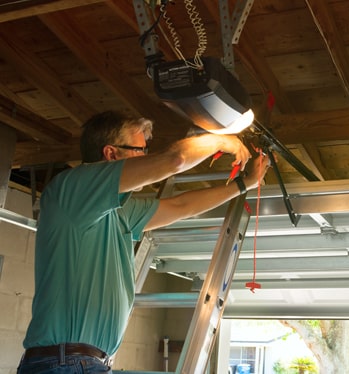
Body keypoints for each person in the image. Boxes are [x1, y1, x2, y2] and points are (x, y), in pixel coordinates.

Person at [17, 110, 270, 374]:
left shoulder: (120, 211)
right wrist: (222, 140)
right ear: (112, 154)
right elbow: (175, 159)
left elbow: (182, 205)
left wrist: (244, 185)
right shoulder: (71, 191)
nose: (146, 158)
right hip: (64, 363)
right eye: (140, 149)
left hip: (80, 363)